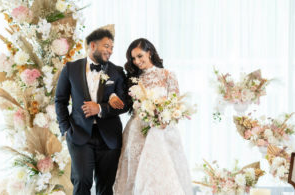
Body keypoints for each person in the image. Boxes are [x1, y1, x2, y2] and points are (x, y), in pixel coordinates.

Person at [113, 38, 193, 194]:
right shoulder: (133, 79)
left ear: (149, 53)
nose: (136, 61)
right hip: (137, 131)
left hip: (163, 131)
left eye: (140, 56)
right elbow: (127, 103)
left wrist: (164, 117)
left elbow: (176, 105)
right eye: (133, 58)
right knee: (136, 173)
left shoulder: (167, 75)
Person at [55, 28, 128, 195]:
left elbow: (124, 104)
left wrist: (101, 108)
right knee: (81, 180)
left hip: (109, 137)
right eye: (106, 46)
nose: (110, 51)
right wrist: (65, 129)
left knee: (105, 186)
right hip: (79, 134)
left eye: (112, 48)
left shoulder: (116, 72)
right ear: (93, 45)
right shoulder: (71, 68)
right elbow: (60, 101)